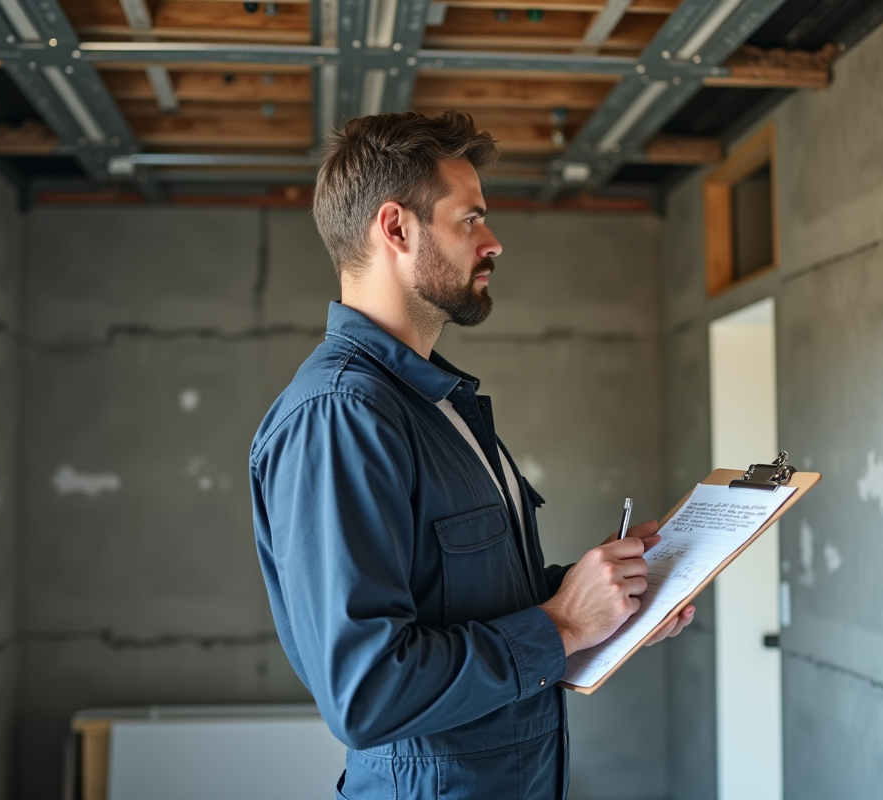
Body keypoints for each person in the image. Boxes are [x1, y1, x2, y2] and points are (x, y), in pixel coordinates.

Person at [249, 110, 694, 800]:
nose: (494, 242)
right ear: (396, 228)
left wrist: (608, 602)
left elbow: (466, 601)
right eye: (470, 219)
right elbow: (366, 693)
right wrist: (562, 624)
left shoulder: (437, 403)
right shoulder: (341, 415)